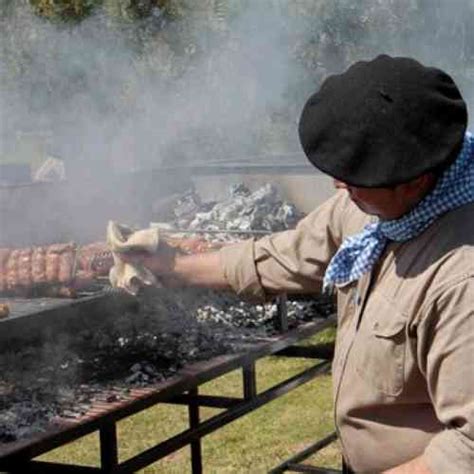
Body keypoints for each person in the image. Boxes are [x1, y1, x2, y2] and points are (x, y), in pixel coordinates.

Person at [124, 55, 474, 473]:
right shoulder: (380, 203)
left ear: (415, 180)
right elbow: (288, 255)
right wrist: (174, 266)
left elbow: (467, 449)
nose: (338, 185)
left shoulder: (461, 278)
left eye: (352, 178)